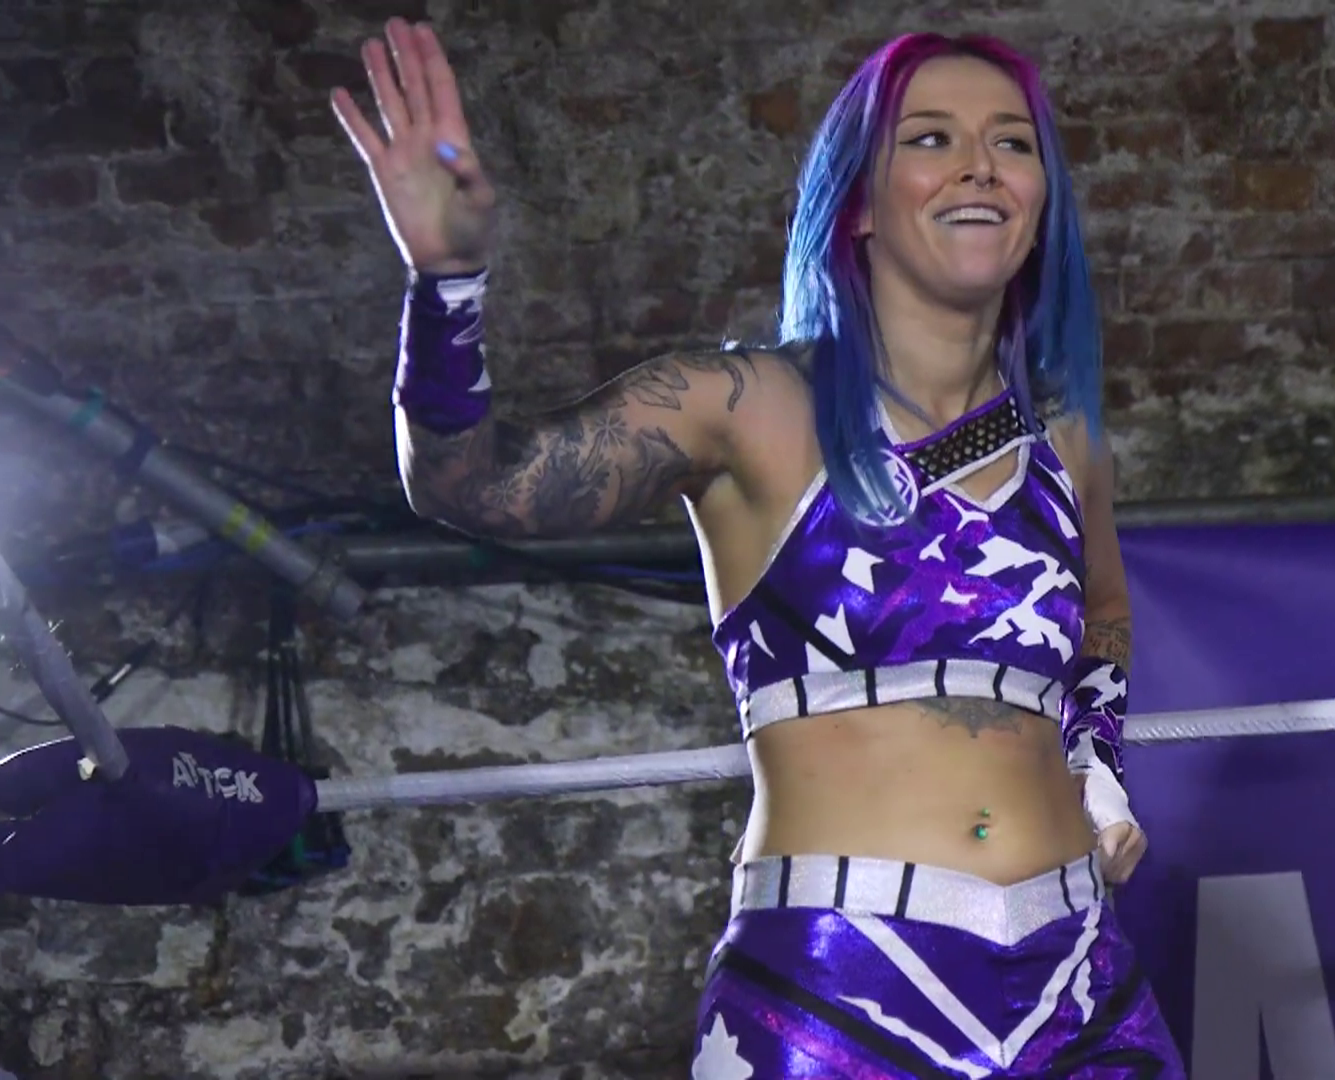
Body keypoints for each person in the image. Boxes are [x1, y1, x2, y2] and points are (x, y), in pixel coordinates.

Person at [333, 19, 1184, 1078]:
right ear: (858, 202)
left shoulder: (1067, 443)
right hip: (836, 992)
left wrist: (1095, 764)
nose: (979, 165)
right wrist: (447, 285)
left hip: (1078, 985)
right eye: (930, 138)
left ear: (1041, 196)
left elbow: (1105, 616)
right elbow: (469, 485)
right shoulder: (742, 407)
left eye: (1012, 142)